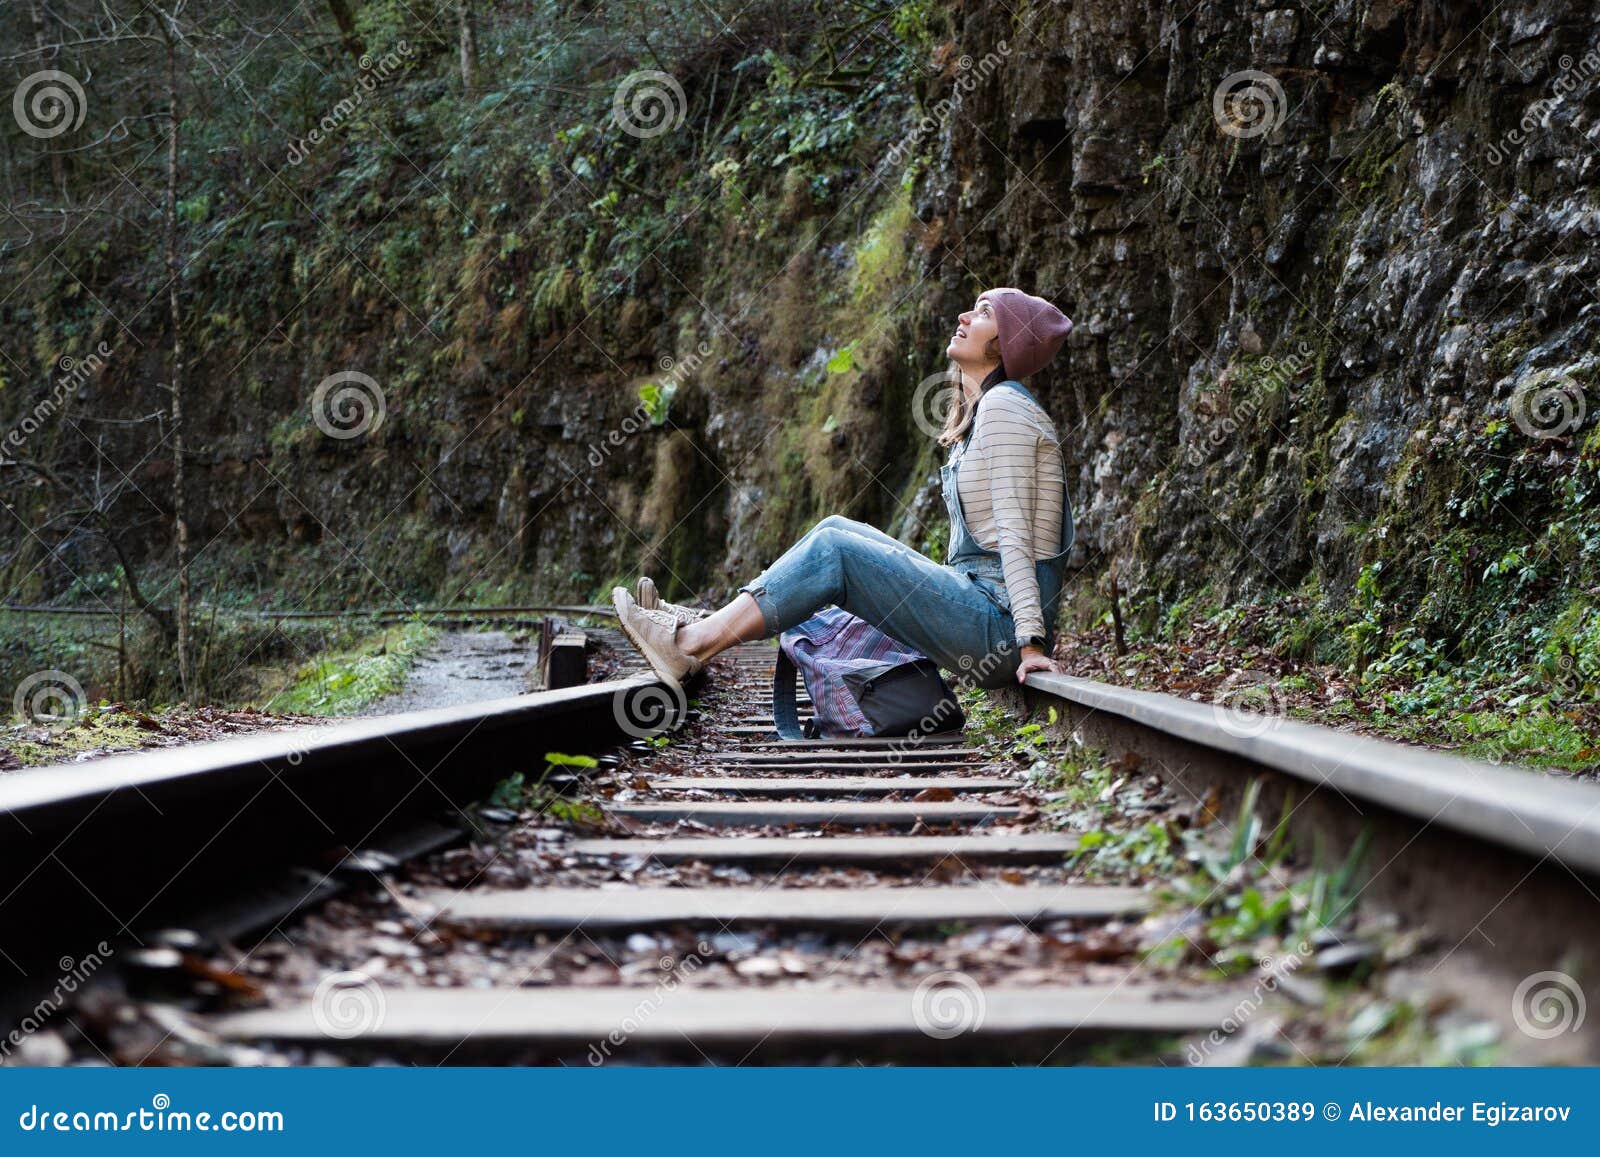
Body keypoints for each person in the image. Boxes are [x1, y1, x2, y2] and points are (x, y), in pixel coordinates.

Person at [613, 287, 1074, 692]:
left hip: (999, 627)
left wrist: (1030, 643)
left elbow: (1017, 532)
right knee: (836, 527)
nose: (964, 318)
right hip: (979, 603)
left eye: (983, 313)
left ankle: (691, 644)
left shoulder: (1006, 407)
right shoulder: (986, 412)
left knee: (835, 548)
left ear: (1006, 342)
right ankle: (703, 625)